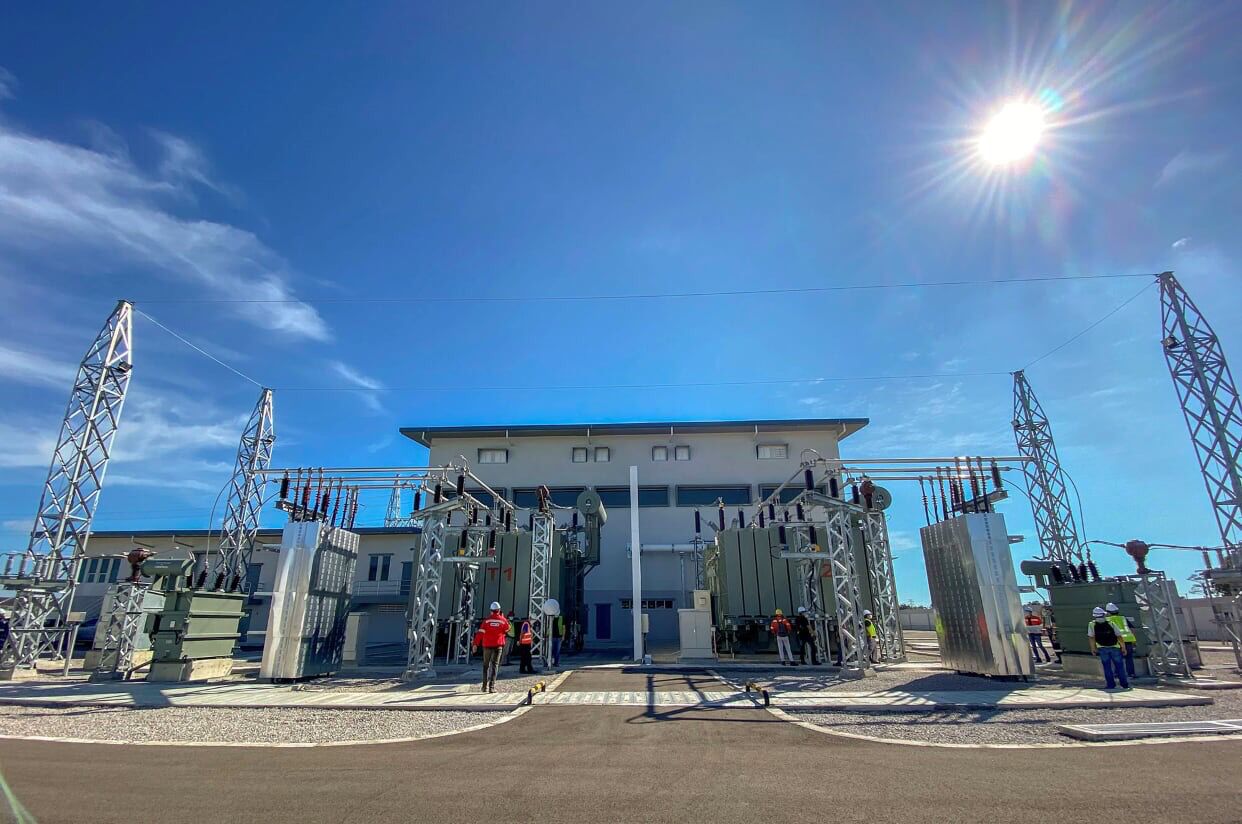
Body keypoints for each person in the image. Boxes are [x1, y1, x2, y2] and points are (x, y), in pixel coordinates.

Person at [471, 601, 510, 693]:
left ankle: (484, 687)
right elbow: (508, 629)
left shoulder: (486, 621)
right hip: (498, 646)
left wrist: (475, 644)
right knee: (495, 666)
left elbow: (480, 633)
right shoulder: (503, 620)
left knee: (486, 666)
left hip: (487, 646)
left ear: (491, 611)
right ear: (499, 610)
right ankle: (491, 687)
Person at [1088, 606, 1130, 690]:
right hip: (1115, 647)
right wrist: (1123, 647)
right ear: (1104, 614)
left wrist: (1093, 648)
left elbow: (1091, 637)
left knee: (1107, 667)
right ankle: (1124, 684)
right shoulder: (1111, 623)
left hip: (1102, 648)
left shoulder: (1091, 624)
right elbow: (1119, 636)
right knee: (1120, 666)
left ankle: (1110, 685)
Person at [1105, 602, 1138, 679]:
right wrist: (1134, 641)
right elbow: (1133, 630)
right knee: (1129, 658)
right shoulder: (1123, 618)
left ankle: (1117, 674)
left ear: (1108, 612)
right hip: (1128, 641)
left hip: (1116, 642)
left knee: (1117, 658)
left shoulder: (1107, 620)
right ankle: (1131, 674)